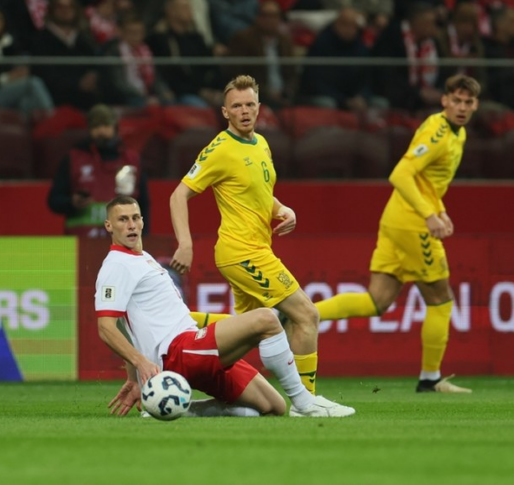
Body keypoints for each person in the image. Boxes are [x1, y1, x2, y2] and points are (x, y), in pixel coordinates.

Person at [97, 196, 355, 418]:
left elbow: (127, 325)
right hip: (176, 353)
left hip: (193, 350)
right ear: (109, 225)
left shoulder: (141, 258)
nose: (131, 225)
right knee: (266, 319)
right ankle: (305, 403)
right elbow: (106, 327)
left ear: (142, 221)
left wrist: (132, 378)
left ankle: (185, 408)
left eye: (135, 218)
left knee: (272, 406)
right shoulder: (117, 265)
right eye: (122, 220)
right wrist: (140, 363)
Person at [314, 74, 481, 394]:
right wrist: (429, 215)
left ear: (476, 105)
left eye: (468, 102)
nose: (461, 107)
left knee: (376, 301)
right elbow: (401, 174)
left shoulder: (456, 133)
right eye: (456, 100)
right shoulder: (437, 131)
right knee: (441, 300)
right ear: (444, 100)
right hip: (413, 224)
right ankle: (430, 379)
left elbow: (426, 182)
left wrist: (439, 209)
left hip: (397, 218)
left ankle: (299, 314)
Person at [168, 75, 326, 396]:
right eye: (237, 106)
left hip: (255, 248)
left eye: (250, 104)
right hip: (242, 252)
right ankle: (307, 401)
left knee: (249, 331)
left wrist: (283, 209)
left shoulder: (261, 143)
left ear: (259, 107)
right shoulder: (220, 150)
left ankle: (171, 329)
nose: (244, 111)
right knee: (306, 314)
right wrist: (185, 243)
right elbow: (178, 195)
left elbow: (261, 193)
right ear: (225, 112)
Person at [47, 104, 150, 238]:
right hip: (81, 241)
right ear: (89, 129)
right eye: (96, 126)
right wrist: (71, 203)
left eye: (106, 125)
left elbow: (143, 203)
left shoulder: (132, 160)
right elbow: (54, 200)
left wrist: (144, 237)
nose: (101, 131)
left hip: (122, 242)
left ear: (115, 127)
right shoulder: (73, 159)